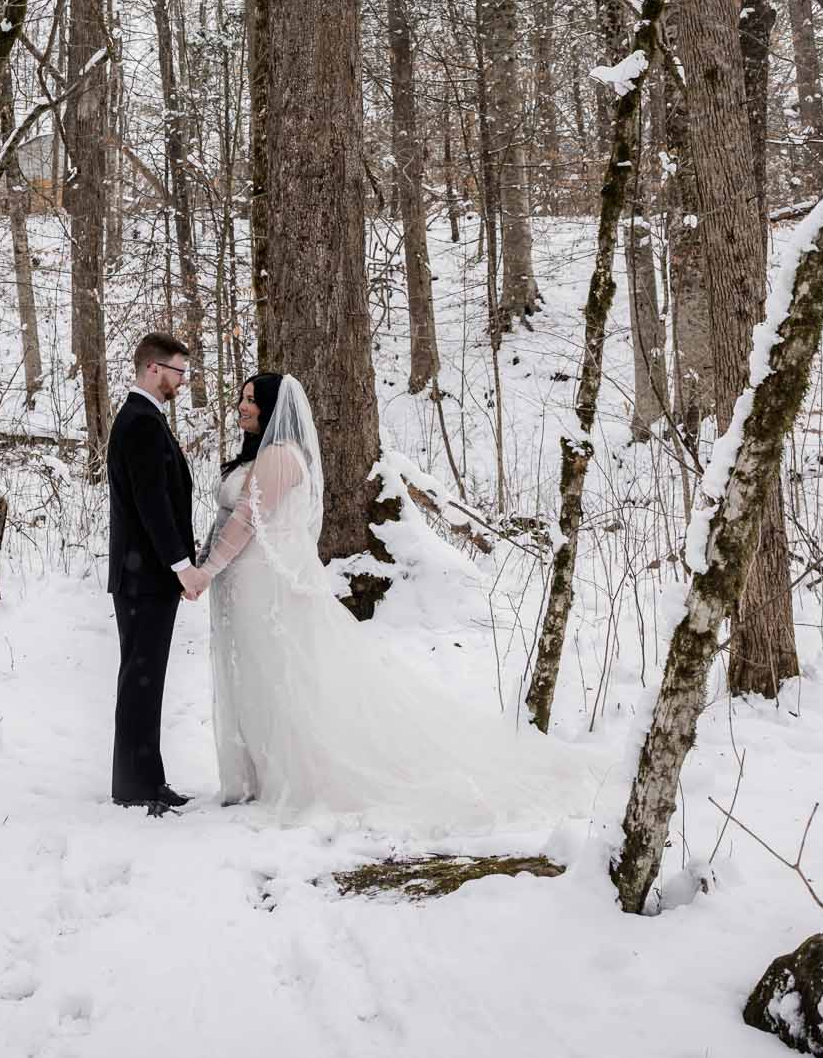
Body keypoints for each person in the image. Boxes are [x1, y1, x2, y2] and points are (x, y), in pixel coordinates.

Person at [194, 371, 604, 830]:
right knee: (258, 675)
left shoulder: (280, 456)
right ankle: (263, 775)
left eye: (251, 400)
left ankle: (294, 778)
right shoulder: (265, 456)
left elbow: (250, 519)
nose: (242, 407)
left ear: (272, 409)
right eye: (242, 399)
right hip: (250, 583)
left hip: (268, 586)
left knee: (280, 676)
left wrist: (206, 571)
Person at [104, 331, 198, 815]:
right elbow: (152, 504)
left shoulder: (145, 420)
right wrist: (181, 566)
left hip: (145, 575)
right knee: (141, 679)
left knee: (144, 679)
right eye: (179, 372)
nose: (182, 381)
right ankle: (135, 787)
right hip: (144, 577)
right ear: (154, 369)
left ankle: (144, 780)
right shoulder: (140, 423)